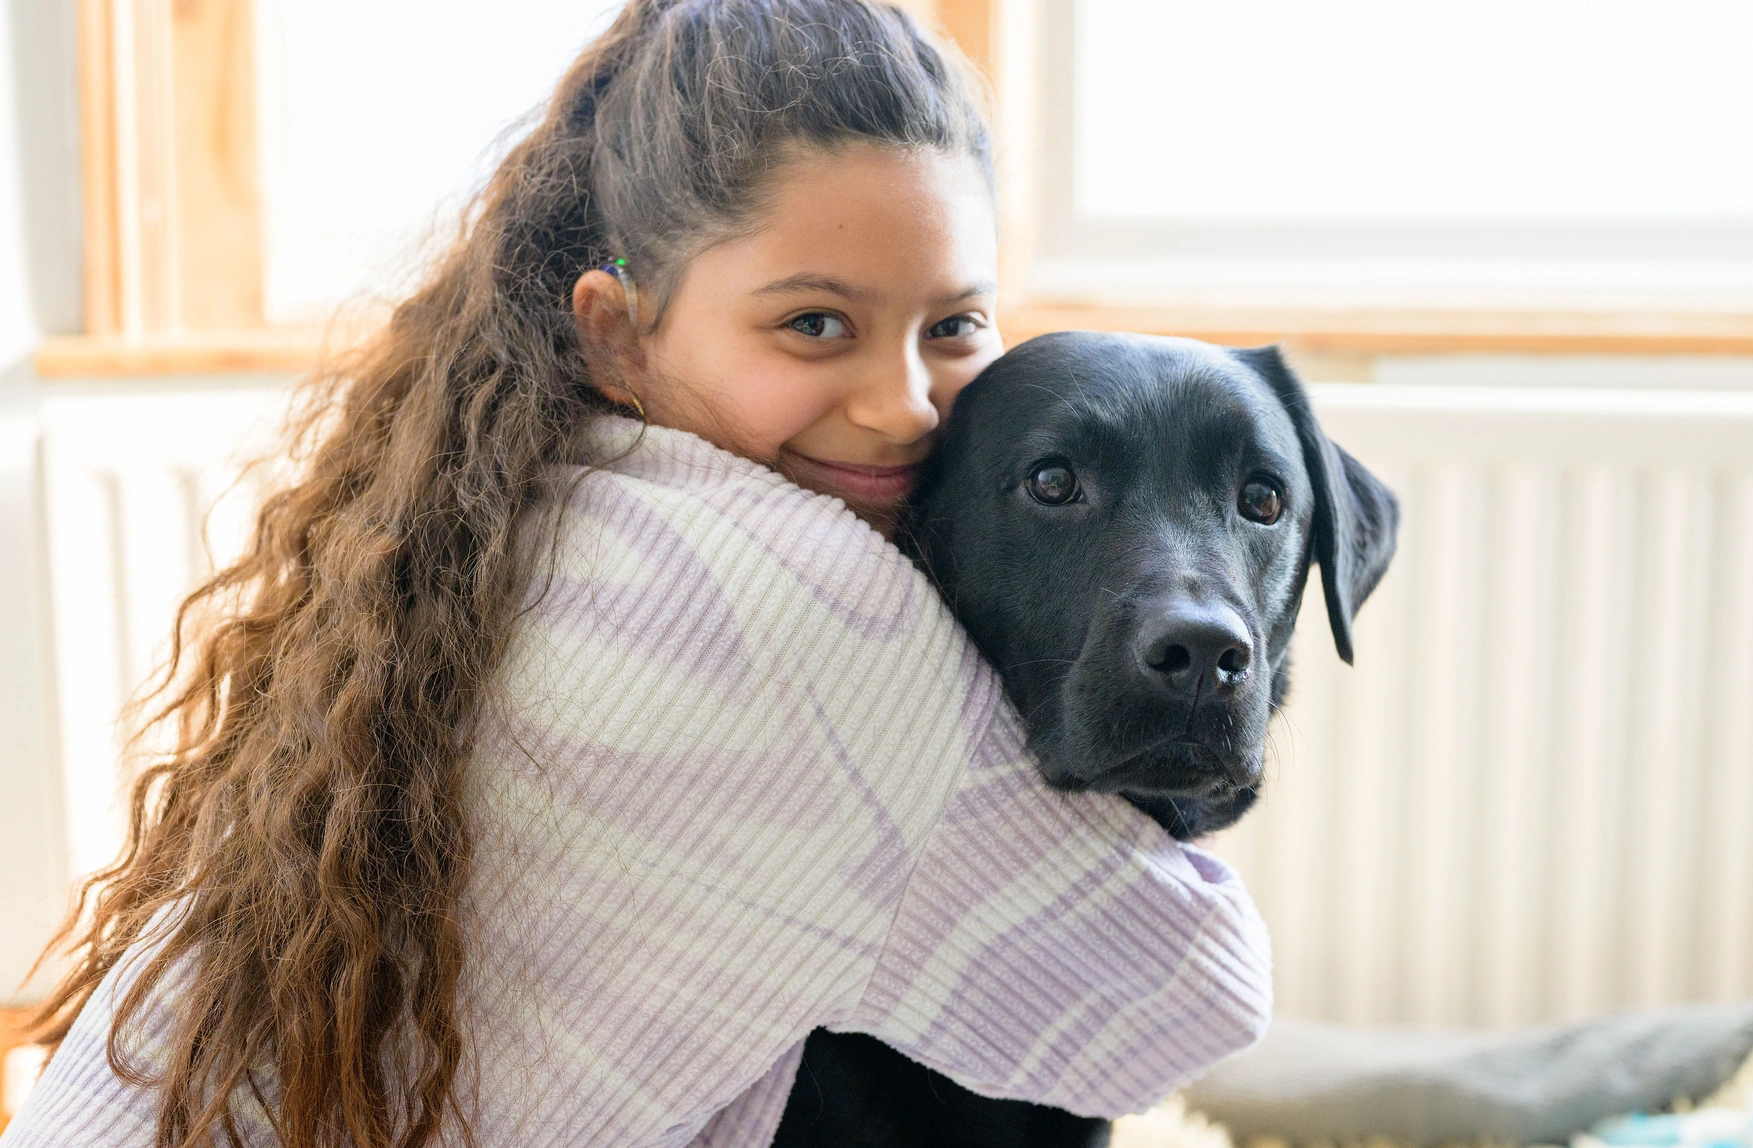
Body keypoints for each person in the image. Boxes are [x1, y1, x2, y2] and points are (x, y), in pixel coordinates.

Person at [2, 3, 1271, 1146]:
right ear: (613, 331)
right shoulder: (791, 618)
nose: (901, 408)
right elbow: (1185, 1000)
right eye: (814, 323)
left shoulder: (538, 506)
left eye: (952, 325)